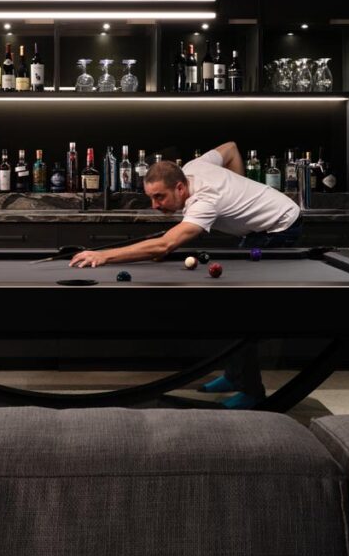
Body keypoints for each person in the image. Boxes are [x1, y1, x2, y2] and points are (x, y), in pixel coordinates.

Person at [68, 141, 302, 409]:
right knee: (231, 303)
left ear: (180, 187)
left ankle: (251, 392)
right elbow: (231, 148)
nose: (155, 206)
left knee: (241, 306)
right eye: (151, 197)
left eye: (160, 197)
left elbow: (165, 245)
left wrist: (104, 255)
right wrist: (239, 187)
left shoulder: (204, 201)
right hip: (259, 229)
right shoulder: (193, 166)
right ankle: (235, 376)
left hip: (280, 227)